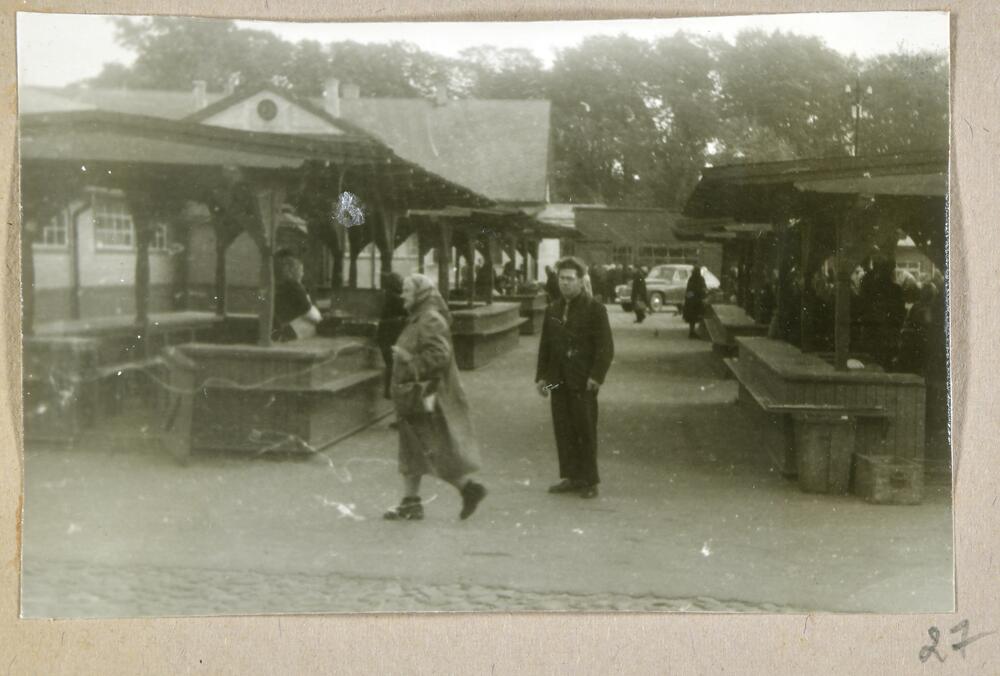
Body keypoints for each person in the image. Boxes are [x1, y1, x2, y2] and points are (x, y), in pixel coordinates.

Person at [384, 274, 487, 521]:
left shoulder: (429, 319)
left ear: (420, 294)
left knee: (429, 448)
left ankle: (467, 489)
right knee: (414, 446)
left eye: (407, 290)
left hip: (426, 396)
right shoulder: (421, 317)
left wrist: (409, 361)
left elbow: (439, 355)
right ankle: (412, 502)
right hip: (417, 394)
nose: (402, 295)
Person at [535, 257, 615, 499]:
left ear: (581, 281)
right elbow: (546, 346)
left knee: (585, 429)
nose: (565, 283)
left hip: (583, 380)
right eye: (562, 279)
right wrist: (542, 378)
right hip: (558, 379)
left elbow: (605, 348)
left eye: (570, 279)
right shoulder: (553, 309)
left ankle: (590, 481)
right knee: (563, 429)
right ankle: (571, 477)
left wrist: (596, 377)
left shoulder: (595, 309)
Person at [272, 254, 321, 342]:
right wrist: (320, 319)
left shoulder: (280, 286)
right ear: (295, 272)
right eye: (301, 271)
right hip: (292, 331)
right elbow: (310, 313)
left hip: (278, 328)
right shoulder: (296, 287)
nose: (303, 274)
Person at [375, 272, 408, 400]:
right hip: (390, 335)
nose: (402, 283)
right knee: (392, 363)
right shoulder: (395, 298)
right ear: (395, 283)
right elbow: (406, 309)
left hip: (386, 335)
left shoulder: (388, 295)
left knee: (391, 363)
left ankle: (389, 391)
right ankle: (389, 392)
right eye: (400, 281)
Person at [682, 265, 708, 338]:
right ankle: (696, 332)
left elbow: (689, 290)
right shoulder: (700, 279)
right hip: (697, 301)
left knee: (692, 318)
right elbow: (703, 289)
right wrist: (703, 296)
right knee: (699, 315)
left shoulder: (691, 279)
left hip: (691, 301)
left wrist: (689, 299)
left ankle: (692, 332)